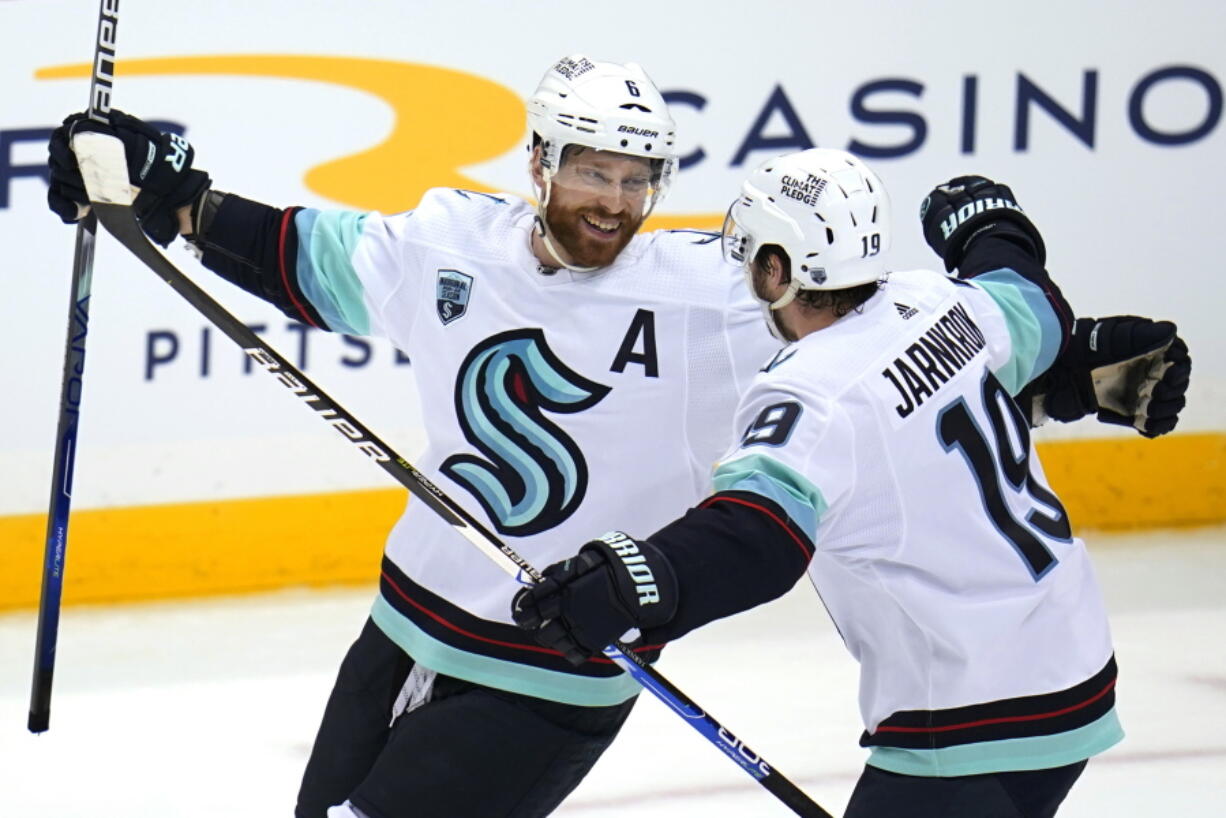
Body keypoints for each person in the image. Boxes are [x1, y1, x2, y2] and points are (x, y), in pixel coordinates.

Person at [45, 58, 1188, 817]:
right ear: (538, 162)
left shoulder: (719, 295)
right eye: (591, 169)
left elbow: (886, 361)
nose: (613, 199)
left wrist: (1071, 365)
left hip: (552, 664)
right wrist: (162, 191)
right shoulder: (447, 245)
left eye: (637, 179)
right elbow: (296, 253)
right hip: (405, 618)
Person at [511, 148, 1191, 818]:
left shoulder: (814, 392)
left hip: (980, 710)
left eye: (755, 258)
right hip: (1064, 654)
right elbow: (1033, 304)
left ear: (777, 269)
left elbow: (755, 536)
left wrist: (635, 579)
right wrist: (989, 229)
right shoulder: (934, 300)